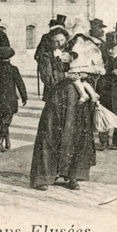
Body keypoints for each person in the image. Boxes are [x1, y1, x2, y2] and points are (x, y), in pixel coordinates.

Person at [30, 26, 97, 191]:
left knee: (74, 137)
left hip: (76, 102)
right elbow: (48, 78)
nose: (59, 44)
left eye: (62, 40)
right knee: (50, 137)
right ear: (51, 42)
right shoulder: (46, 57)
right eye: (56, 41)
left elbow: (92, 71)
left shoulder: (75, 54)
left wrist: (83, 74)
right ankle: (44, 177)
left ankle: (72, 176)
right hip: (56, 101)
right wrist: (65, 75)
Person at [0, 46, 27, 152]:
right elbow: (20, 83)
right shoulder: (13, 69)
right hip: (10, 99)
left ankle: (7, 141)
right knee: (6, 121)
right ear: (10, 58)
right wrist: (24, 97)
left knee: (3, 121)